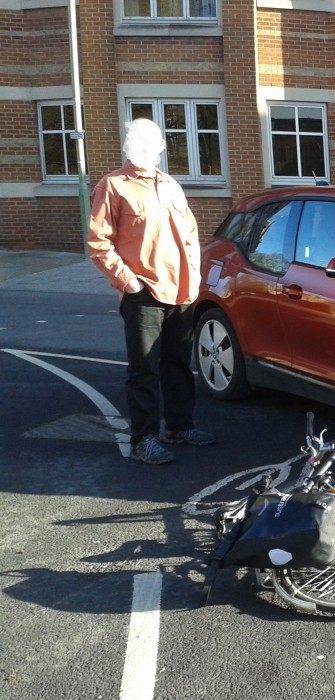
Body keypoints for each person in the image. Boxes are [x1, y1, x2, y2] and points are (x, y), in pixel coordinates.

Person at [88, 118, 215, 465]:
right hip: (143, 291)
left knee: (178, 363)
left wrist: (195, 278)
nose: (147, 146)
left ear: (160, 145)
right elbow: (98, 243)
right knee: (144, 369)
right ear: (129, 144)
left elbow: (189, 233)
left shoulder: (170, 184)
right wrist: (128, 281)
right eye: (140, 139)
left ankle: (179, 426)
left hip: (181, 290)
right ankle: (143, 440)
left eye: (153, 140)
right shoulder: (112, 186)